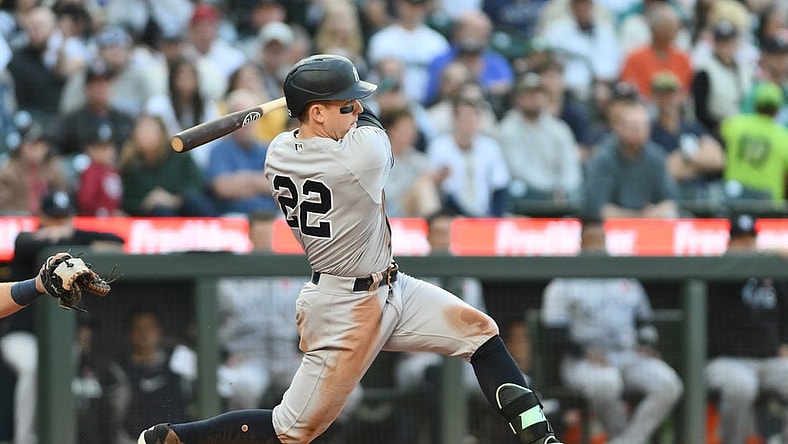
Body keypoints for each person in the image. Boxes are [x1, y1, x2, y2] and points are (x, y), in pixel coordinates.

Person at [138, 53, 561, 444]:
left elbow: (325, 125)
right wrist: (332, 85)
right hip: (345, 308)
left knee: (480, 333)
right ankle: (172, 438)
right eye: (347, 104)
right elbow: (375, 122)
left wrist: (321, 92)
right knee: (291, 430)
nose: (357, 109)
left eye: (354, 103)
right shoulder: (359, 159)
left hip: (391, 286)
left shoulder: (278, 152)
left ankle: (541, 439)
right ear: (317, 113)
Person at [541, 220, 683, 444]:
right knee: (606, 383)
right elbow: (555, 332)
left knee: (668, 383)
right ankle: (622, 438)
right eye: (592, 240)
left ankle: (628, 440)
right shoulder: (564, 281)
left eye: (601, 239)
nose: (597, 246)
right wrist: (584, 352)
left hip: (628, 354)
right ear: (581, 243)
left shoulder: (624, 277)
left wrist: (647, 343)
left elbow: (644, 320)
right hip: (585, 360)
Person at [1, 190, 124, 444]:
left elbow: (117, 241)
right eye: (53, 218)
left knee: (76, 367)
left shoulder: (75, 238)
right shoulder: (26, 240)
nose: (58, 224)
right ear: (41, 217)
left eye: (63, 217)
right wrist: (56, 240)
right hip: (22, 335)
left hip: (62, 340)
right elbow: (27, 245)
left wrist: (72, 237)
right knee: (33, 365)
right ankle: (25, 439)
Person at [707, 214, 788, 444]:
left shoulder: (771, 273)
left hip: (769, 360)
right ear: (729, 244)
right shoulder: (717, 272)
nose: (746, 246)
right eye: (739, 240)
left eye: (750, 240)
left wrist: (785, 342)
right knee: (741, 385)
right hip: (727, 360)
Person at [105, 308, 194, 444]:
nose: (144, 333)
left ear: (159, 330)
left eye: (149, 327)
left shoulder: (179, 360)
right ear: (129, 333)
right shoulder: (119, 370)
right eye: (138, 328)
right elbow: (115, 424)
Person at [583, 101, 680, 219]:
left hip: (649, 223)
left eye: (643, 126)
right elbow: (596, 207)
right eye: (633, 127)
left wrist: (656, 212)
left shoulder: (656, 155)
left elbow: (670, 201)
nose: (639, 131)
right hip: (613, 227)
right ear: (619, 127)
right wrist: (637, 217)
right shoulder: (604, 157)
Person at [720, 82, 788, 203]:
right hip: (769, 203)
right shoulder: (783, 136)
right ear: (777, 110)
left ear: (756, 105)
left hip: (734, 197)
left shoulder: (735, 124)